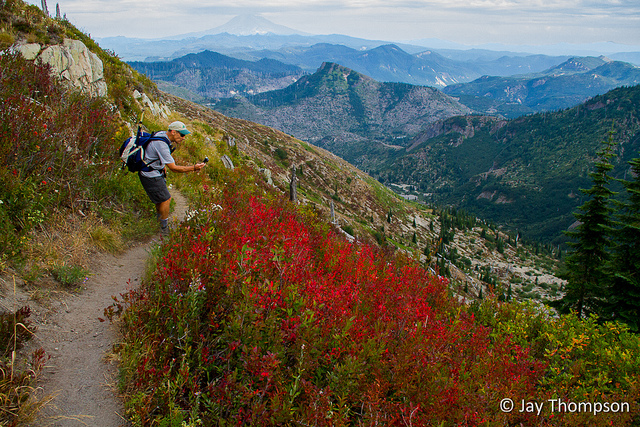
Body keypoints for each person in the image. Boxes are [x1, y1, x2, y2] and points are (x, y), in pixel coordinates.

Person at [139, 121, 206, 235]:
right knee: (166, 199)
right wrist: (194, 168)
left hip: (152, 171)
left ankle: (158, 221)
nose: (184, 138)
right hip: (151, 175)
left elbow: (155, 154)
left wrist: (162, 166)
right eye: (182, 135)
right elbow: (174, 168)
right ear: (173, 132)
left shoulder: (161, 135)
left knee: (161, 199)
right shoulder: (162, 145)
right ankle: (163, 228)